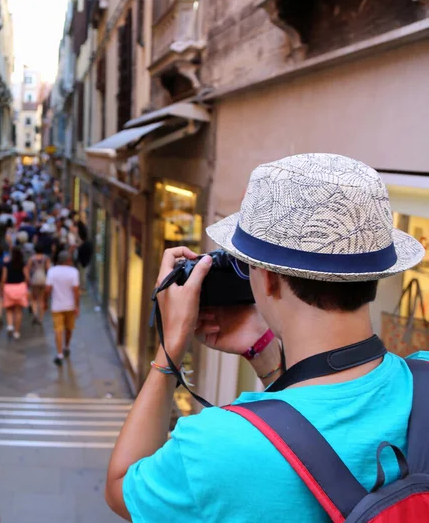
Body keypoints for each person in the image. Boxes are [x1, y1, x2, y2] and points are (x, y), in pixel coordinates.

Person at [104, 154, 429, 522]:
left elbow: (120, 489)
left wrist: (170, 349)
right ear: (375, 273)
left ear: (269, 279)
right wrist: (266, 358)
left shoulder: (215, 446)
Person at [45, 251, 79, 366]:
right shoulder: (74, 272)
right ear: (68, 260)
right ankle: (66, 346)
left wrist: (45, 301)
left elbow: (48, 289)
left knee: (58, 330)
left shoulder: (52, 271)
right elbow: (76, 291)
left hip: (56, 306)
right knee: (69, 328)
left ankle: (59, 354)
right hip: (70, 305)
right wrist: (77, 306)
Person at [1, 246, 29, 340]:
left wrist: (2, 288)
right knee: (18, 311)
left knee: (9, 310)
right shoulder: (23, 264)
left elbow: (4, 278)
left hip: (9, 287)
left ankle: (9, 326)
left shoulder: (7, 264)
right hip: (20, 287)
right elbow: (27, 277)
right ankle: (16, 332)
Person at [28, 243, 51, 325]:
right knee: (41, 299)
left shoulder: (32, 258)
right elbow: (49, 269)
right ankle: (41, 318)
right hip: (43, 278)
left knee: (34, 298)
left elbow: (28, 269)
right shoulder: (46, 258)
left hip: (35, 278)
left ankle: (35, 313)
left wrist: (28, 279)